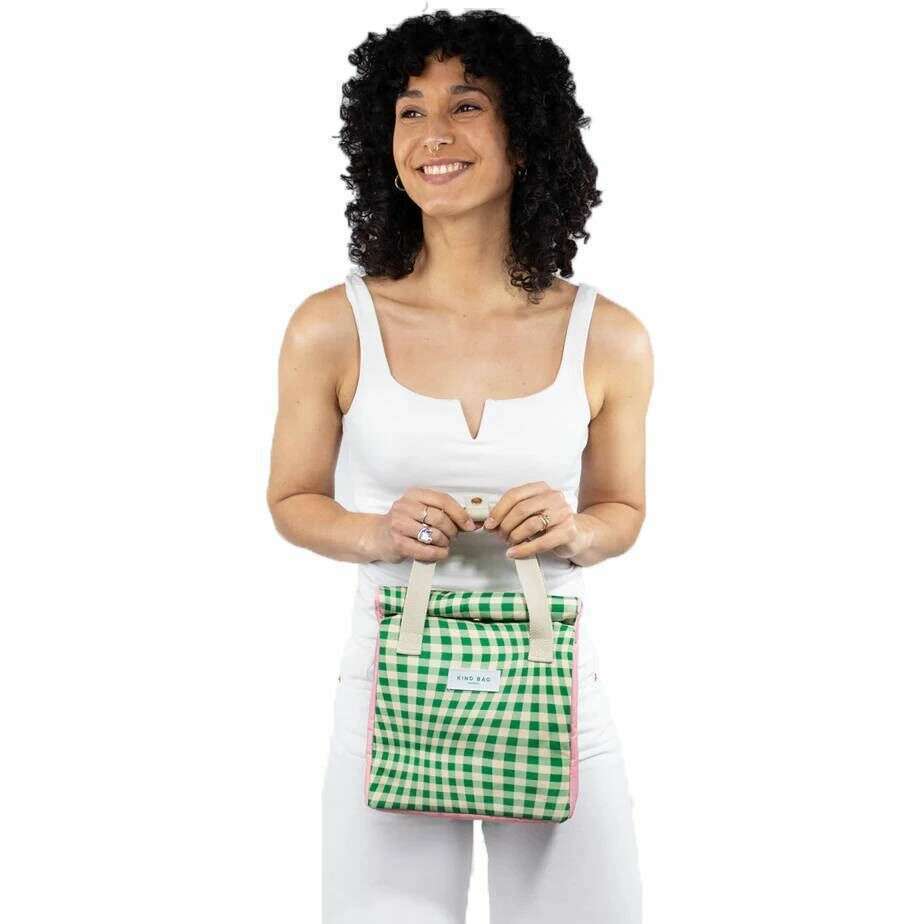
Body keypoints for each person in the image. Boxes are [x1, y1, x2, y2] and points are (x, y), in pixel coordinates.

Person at [266, 10, 653, 922]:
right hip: (388, 699)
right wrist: (377, 532)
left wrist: (576, 529)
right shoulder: (330, 325)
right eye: (409, 111)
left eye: (466, 105)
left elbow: (623, 509)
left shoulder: (610, 335)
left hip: (554, 687)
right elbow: (290, 497)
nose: (432, 134)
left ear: (527, 138)